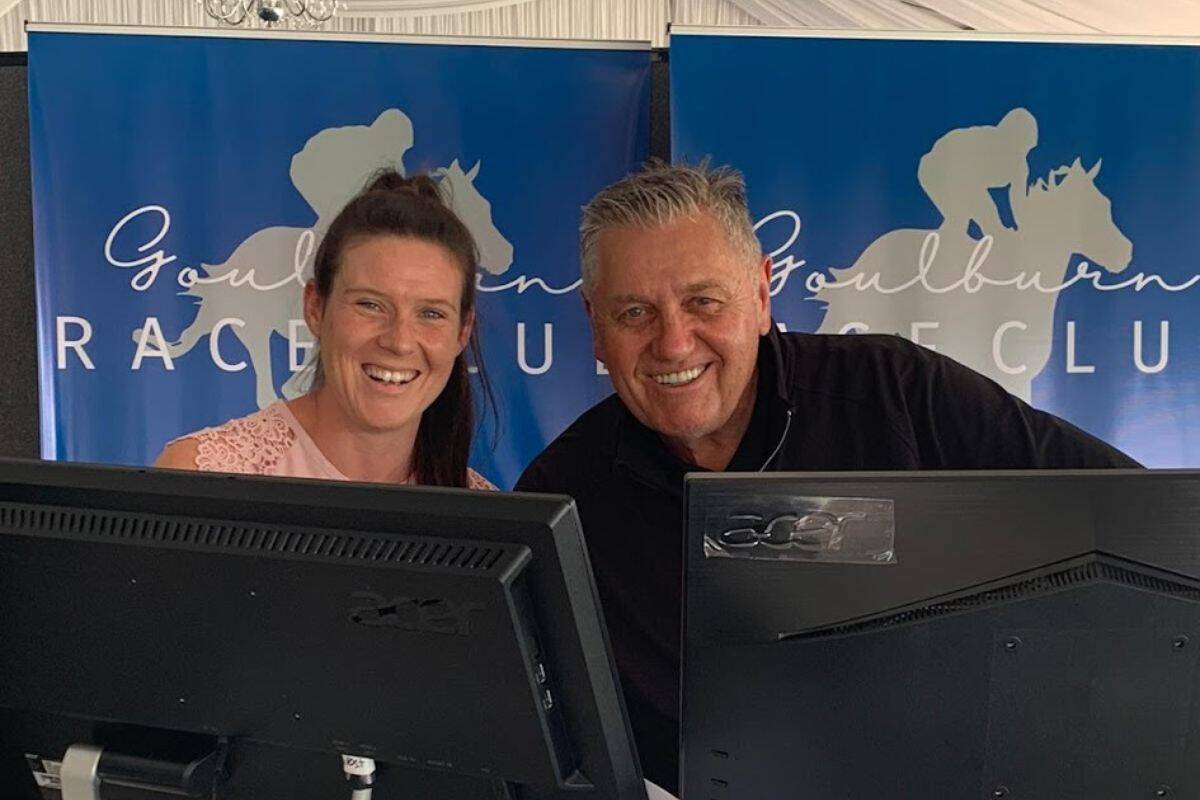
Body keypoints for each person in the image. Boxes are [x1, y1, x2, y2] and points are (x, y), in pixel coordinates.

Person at [514, 161, 1140, 794]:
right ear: (596, 327)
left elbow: (1137, 516)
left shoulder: (898, 394)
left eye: (703, 302)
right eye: (634, 312)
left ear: (761, 295)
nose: (674, 343)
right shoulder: (560, 497)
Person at [157, 170, 494, 490]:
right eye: (370, 305)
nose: (400, 341)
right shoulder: (201, 476)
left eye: (431, 313)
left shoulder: (486, 512)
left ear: (463, 331)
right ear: (315, 307)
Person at [917, 106, 1038, 238]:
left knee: (965, 219)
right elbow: (976, 197)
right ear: (1008, 137)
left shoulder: (1019, 167)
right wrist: (995, 227)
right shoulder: (987, 142)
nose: (1023, 153)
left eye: (1027, 148)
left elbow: (1018, 201)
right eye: (1020, 145)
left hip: (959, 176)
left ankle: (950, 237)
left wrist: (1025, 228)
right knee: (971, 217)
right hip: (935, 169)